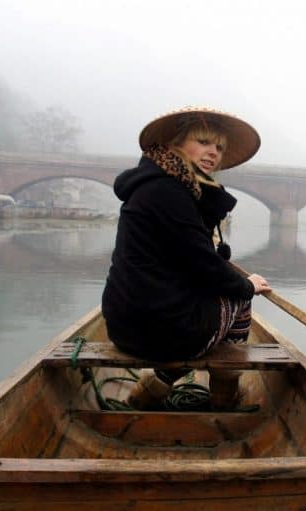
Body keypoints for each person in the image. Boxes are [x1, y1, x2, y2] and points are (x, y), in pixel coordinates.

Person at [101, 106, 271, 410]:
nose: (213, 153)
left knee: (219, 293)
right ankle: (224, 397)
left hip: (121, 324)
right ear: (175, 145)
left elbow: (189, 260)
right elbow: (205, 265)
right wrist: (248, 285)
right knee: (240, 299)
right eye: (203, 142)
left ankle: (157, 383)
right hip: (158, 333)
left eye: (219, 147)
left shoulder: (155, 186)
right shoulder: (170, 193)